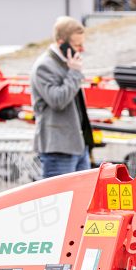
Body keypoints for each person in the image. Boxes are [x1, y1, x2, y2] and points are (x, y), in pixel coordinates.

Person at [30, 16, 93, 178]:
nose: (82, 49)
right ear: (61, 43)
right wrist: (74, 73)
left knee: (84, 193)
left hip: (78, 145)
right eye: (77, 45)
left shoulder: (68, 63)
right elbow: (58, 100)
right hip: (58, 148)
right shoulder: (44, 66)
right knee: (60, 194)